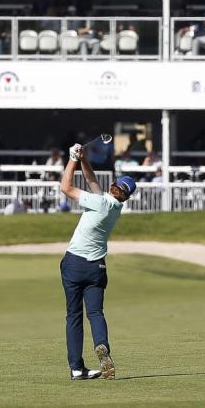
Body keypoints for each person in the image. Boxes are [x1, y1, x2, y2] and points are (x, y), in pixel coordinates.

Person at [59, 142, 136, 380]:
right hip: (97, 267)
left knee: (74, 315)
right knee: (95, 313)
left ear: (115, 188)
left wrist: (72, 158)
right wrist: (84, 159)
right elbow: (93, 183)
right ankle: (102, 346)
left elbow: (65, 187)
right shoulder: (114, 208)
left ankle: (76, 367)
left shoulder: (100, 202)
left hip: (74, 264)